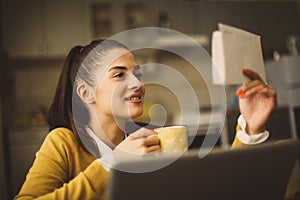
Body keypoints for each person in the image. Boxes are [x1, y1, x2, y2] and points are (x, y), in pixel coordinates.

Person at [15, 39, 276, 199]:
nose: (138, 83)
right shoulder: (63, 143)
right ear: (85, 92)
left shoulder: (153, 139)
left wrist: (250, 128)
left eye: (137, 73)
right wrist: (113, 163)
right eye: (119, 75)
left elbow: (212, 190)